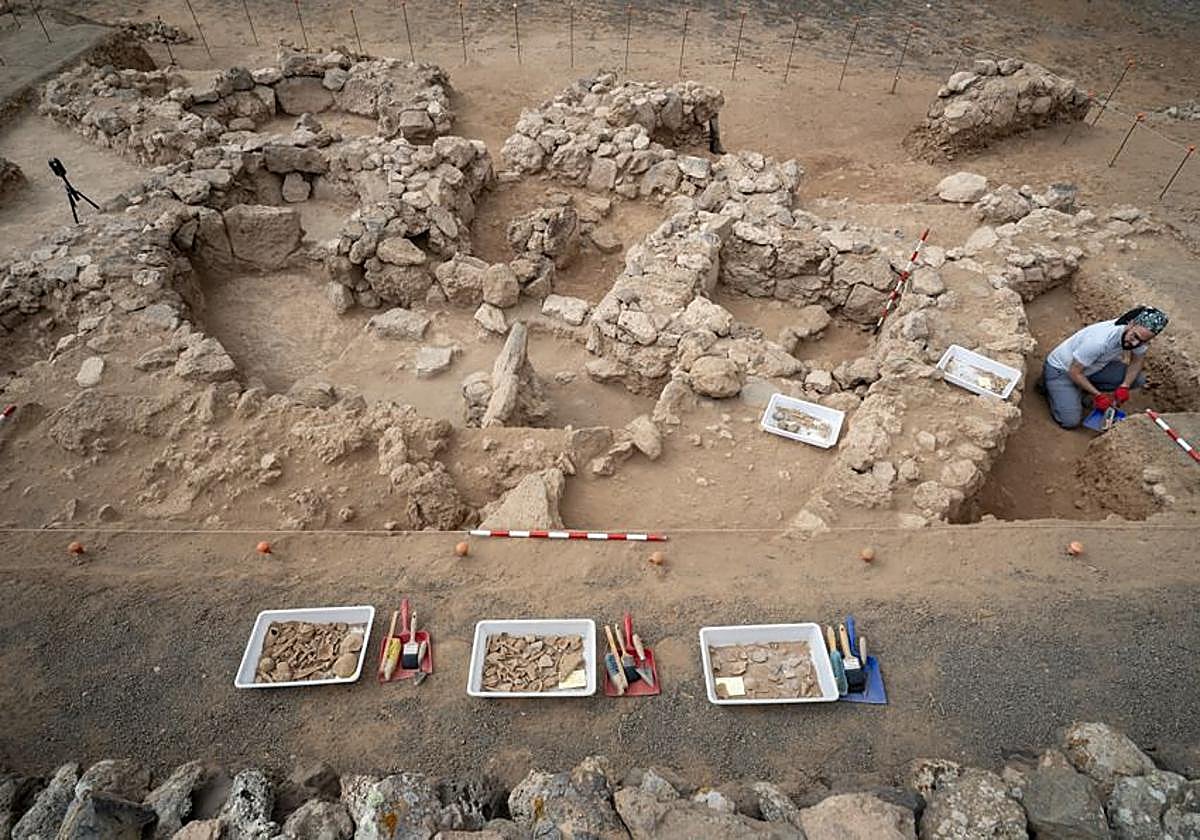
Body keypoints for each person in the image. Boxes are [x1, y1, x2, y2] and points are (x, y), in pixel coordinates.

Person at [1041, 306, 1168, 429]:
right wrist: (1098, 395)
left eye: (1142, 341)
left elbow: (1136, 363)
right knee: (1070, 421)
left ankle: (1079, 391)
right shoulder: (1099, 341)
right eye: (1135, 337)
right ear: (1131, 323)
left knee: (1138, 379)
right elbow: (1074, 372)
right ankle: (1048, 386)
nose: (1135, 343)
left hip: (1092, 367)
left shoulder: (1139, 336)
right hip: (1063, 371)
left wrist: (1125, 386)